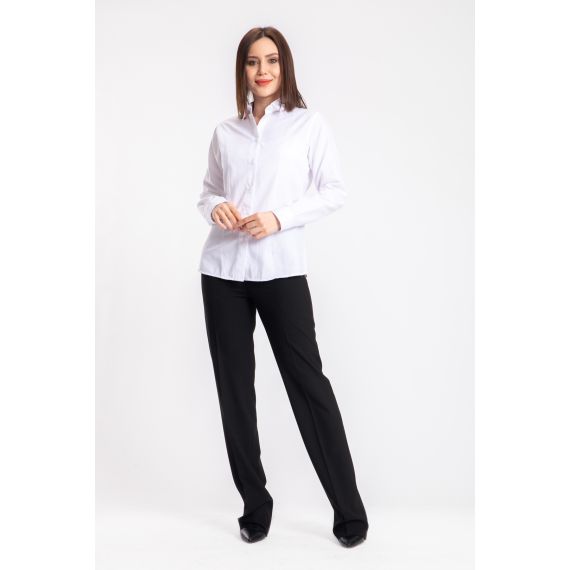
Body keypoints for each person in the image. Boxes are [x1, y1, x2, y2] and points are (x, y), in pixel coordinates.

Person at [197, 26, 369, 548]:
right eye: (253, 62)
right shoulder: (226, 132)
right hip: (222, 273)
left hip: (281, 271)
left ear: (284, 66)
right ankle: (255, 505)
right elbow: (207, 191)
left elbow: (333, 191)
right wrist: (216, 207)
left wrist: (279, 218)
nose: (263, 70)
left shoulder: (308, 125)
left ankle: (348, 511)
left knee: (309, 386)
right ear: (242, 70)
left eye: (271, 60)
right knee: (234, 392)